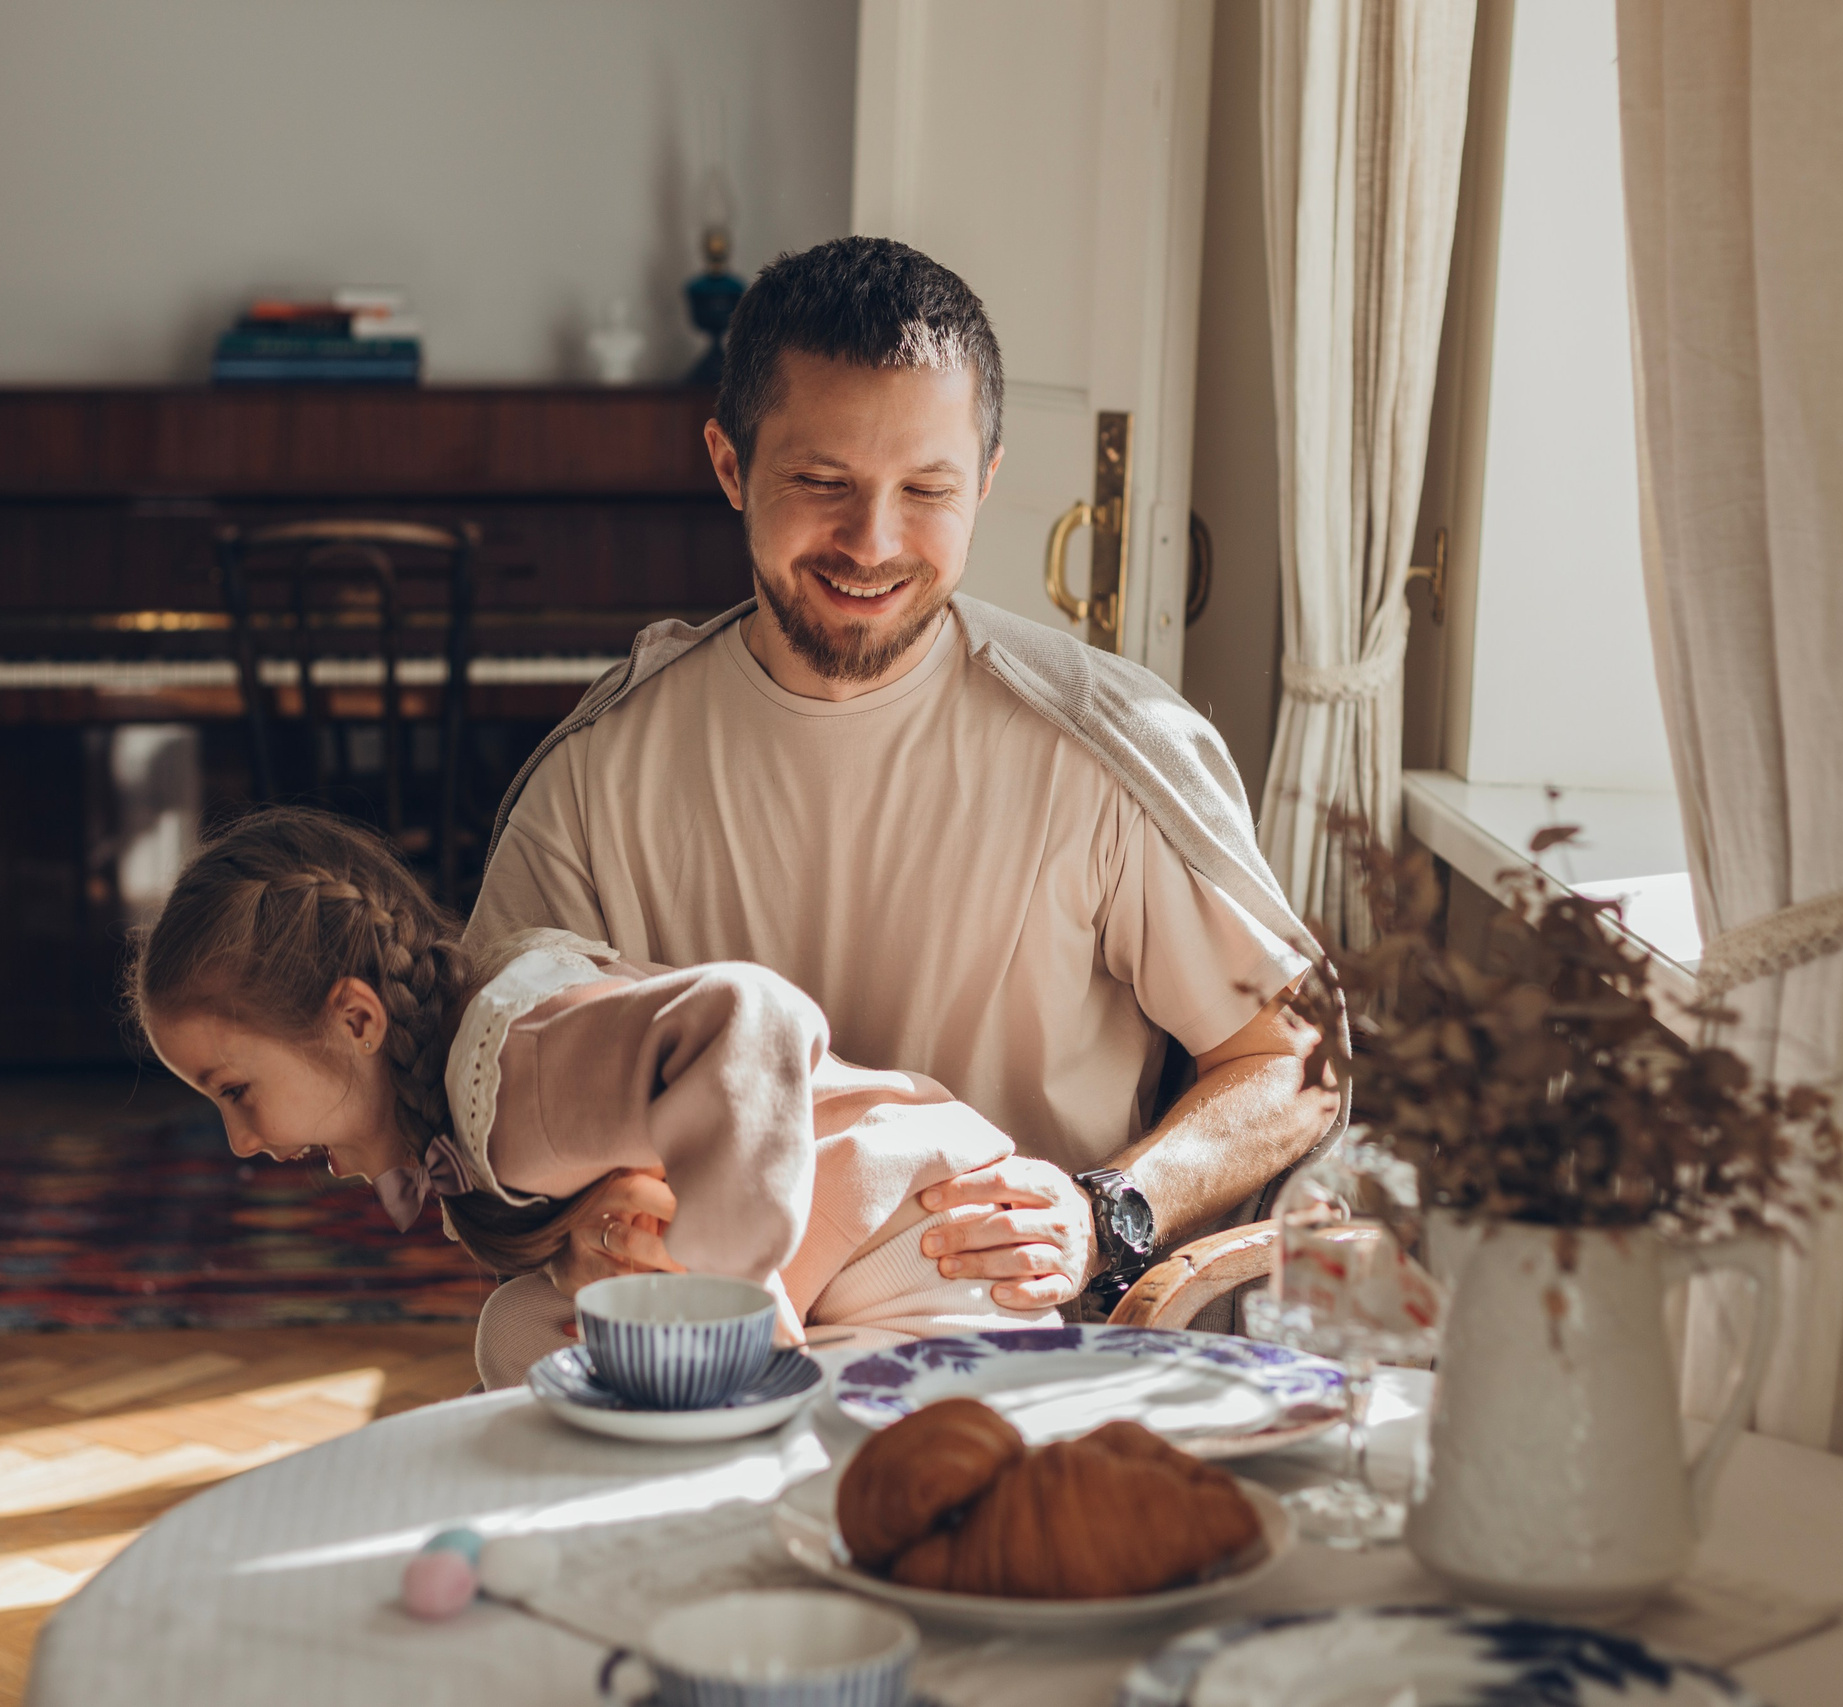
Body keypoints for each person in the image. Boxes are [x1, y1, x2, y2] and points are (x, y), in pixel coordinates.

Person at [466, 236, 1341, 1385]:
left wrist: (1107, 1209)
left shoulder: (1109, 747)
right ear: (729, 464)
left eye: (924, 490)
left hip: (1011, 1357)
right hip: (696, 1346)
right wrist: (586, 1226)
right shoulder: (593, 780)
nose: (872, 543)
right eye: (822, 483)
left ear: (983, 480)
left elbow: (1295, 1059)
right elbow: (484, 1117)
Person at [132, 807, 1062, 1378]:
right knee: (515, 1337)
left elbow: (750, 1017)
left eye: (238, 1090)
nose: (241, 1143)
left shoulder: (507, 1080)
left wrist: (729, 1298)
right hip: (874, 1265)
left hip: (930, 1253)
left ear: (358, 1022)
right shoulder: (470, 1092)